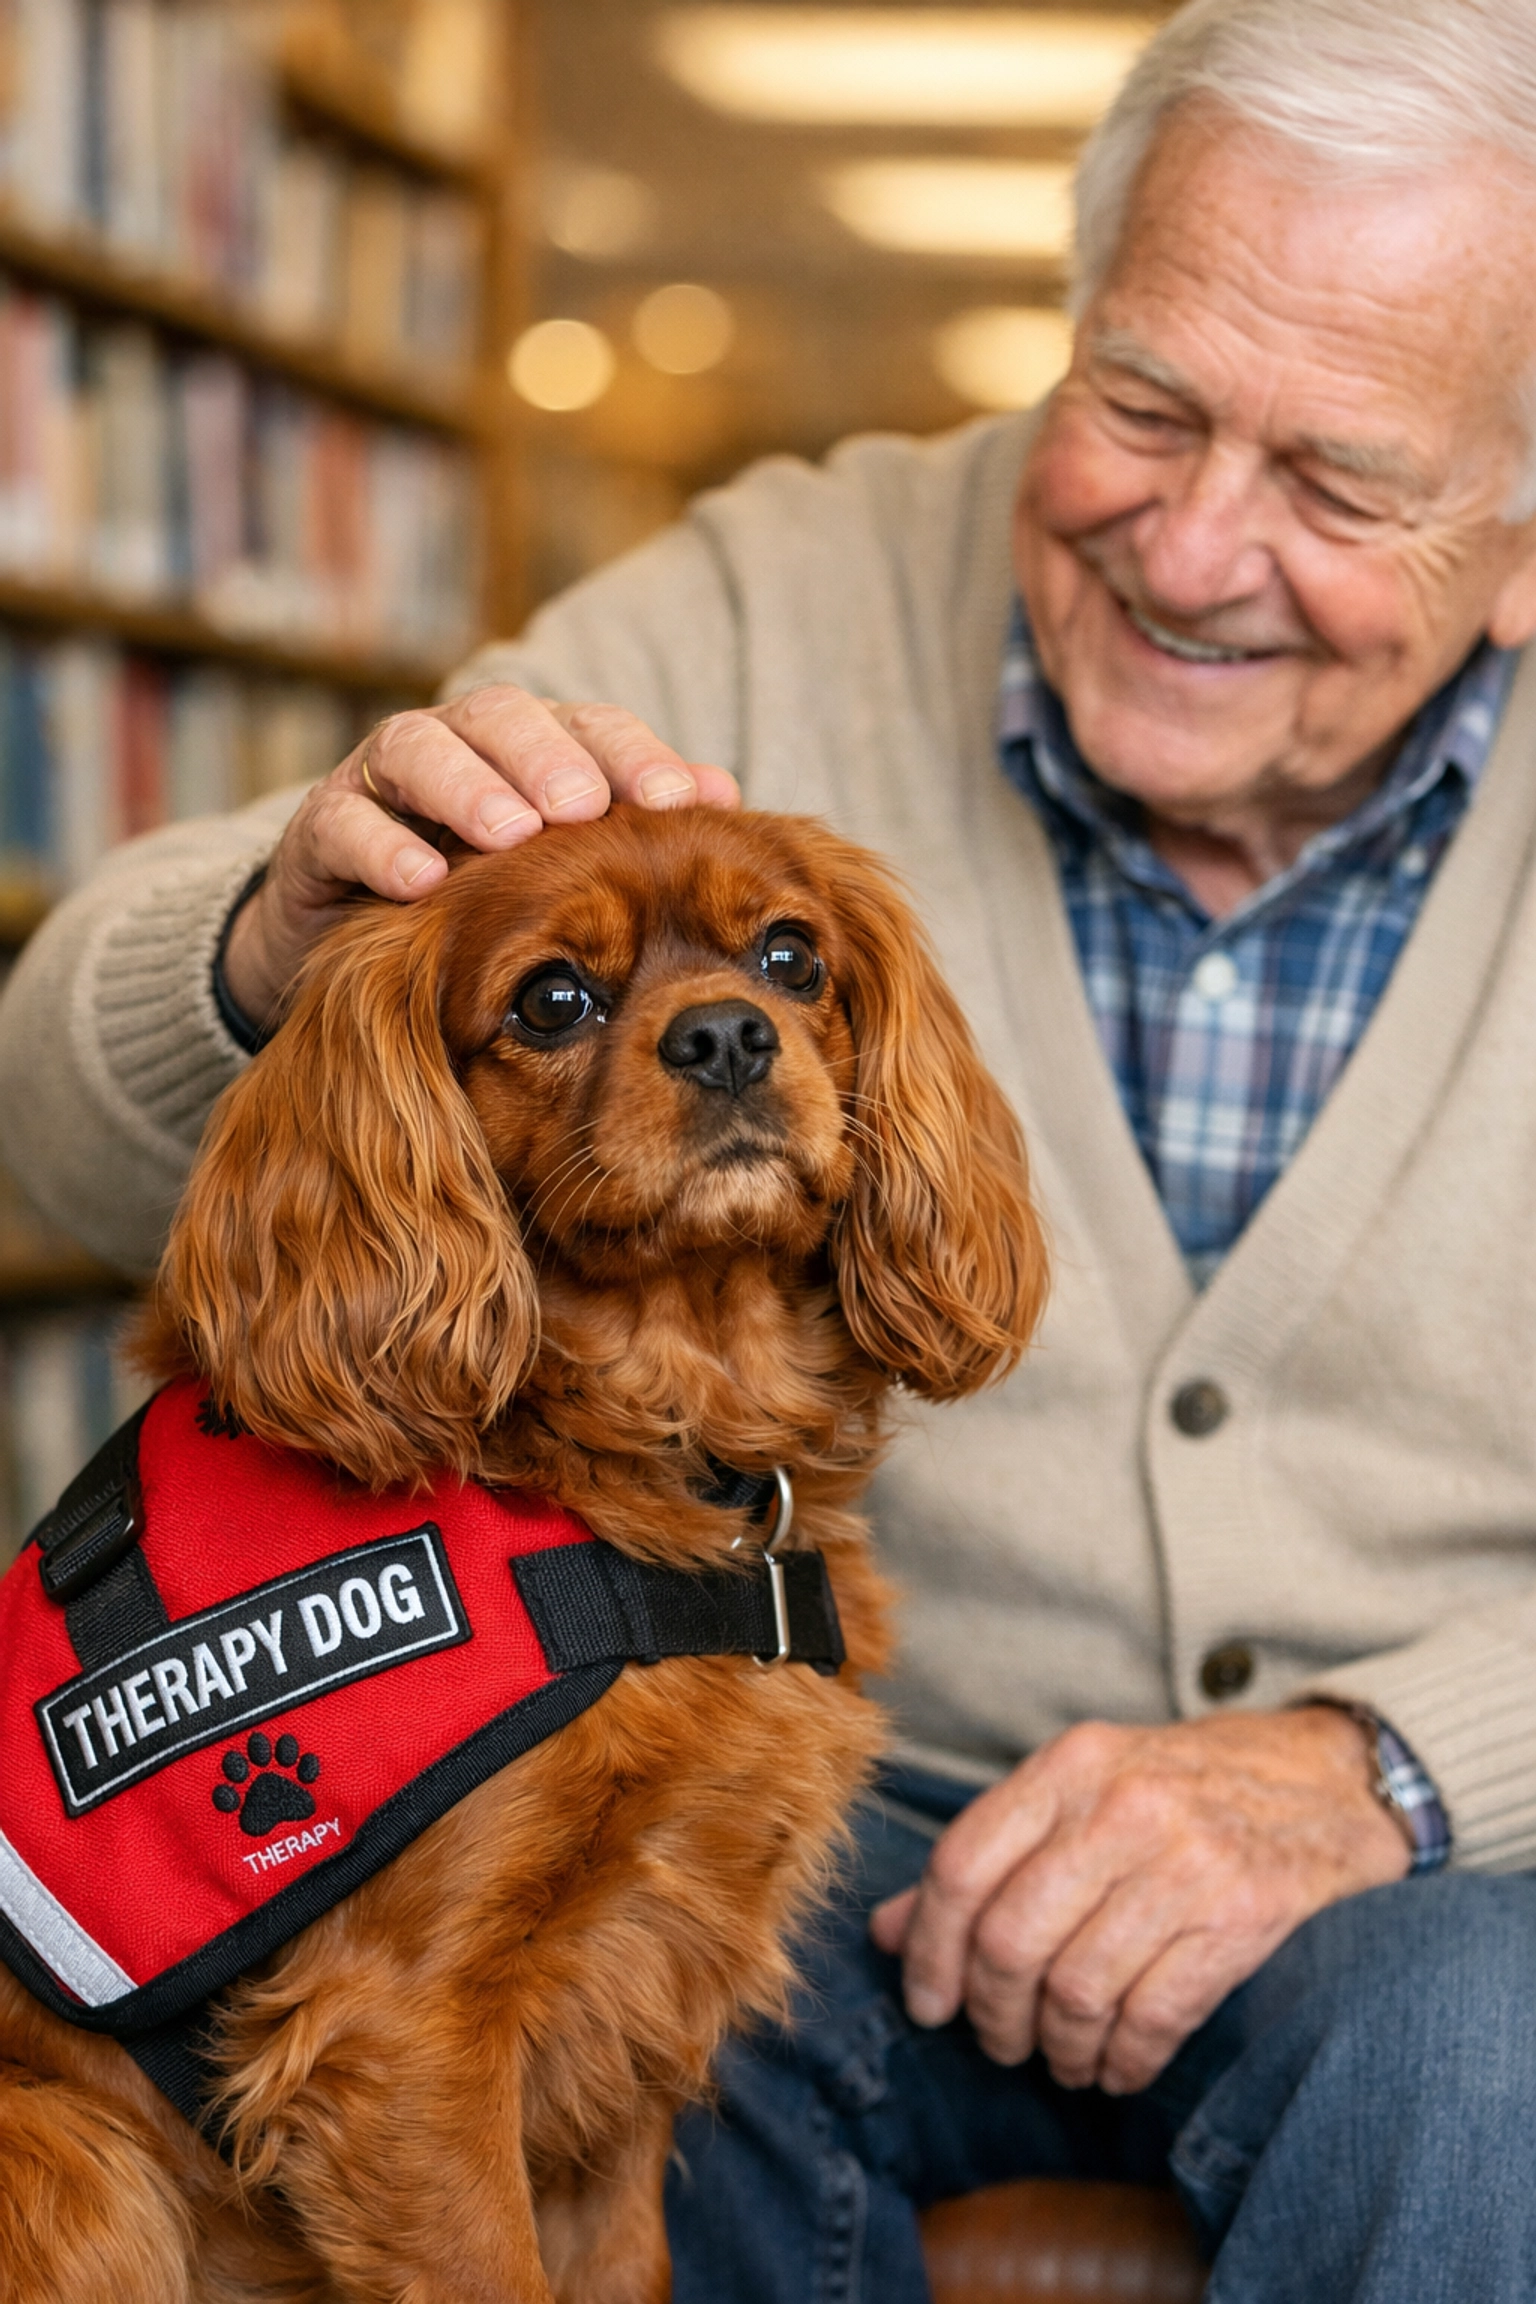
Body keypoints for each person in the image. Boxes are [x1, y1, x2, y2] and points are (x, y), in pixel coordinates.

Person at [6, 0, 1536, 2291]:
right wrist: (258, 945)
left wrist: (1395, 1764)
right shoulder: (768, 599)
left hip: (1423, 1865)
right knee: (660, 2063)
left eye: (1336, 482)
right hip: (841, 1814)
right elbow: (53, 1111)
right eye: (1140, 405)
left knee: (1480, 2054)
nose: (1197, 546)